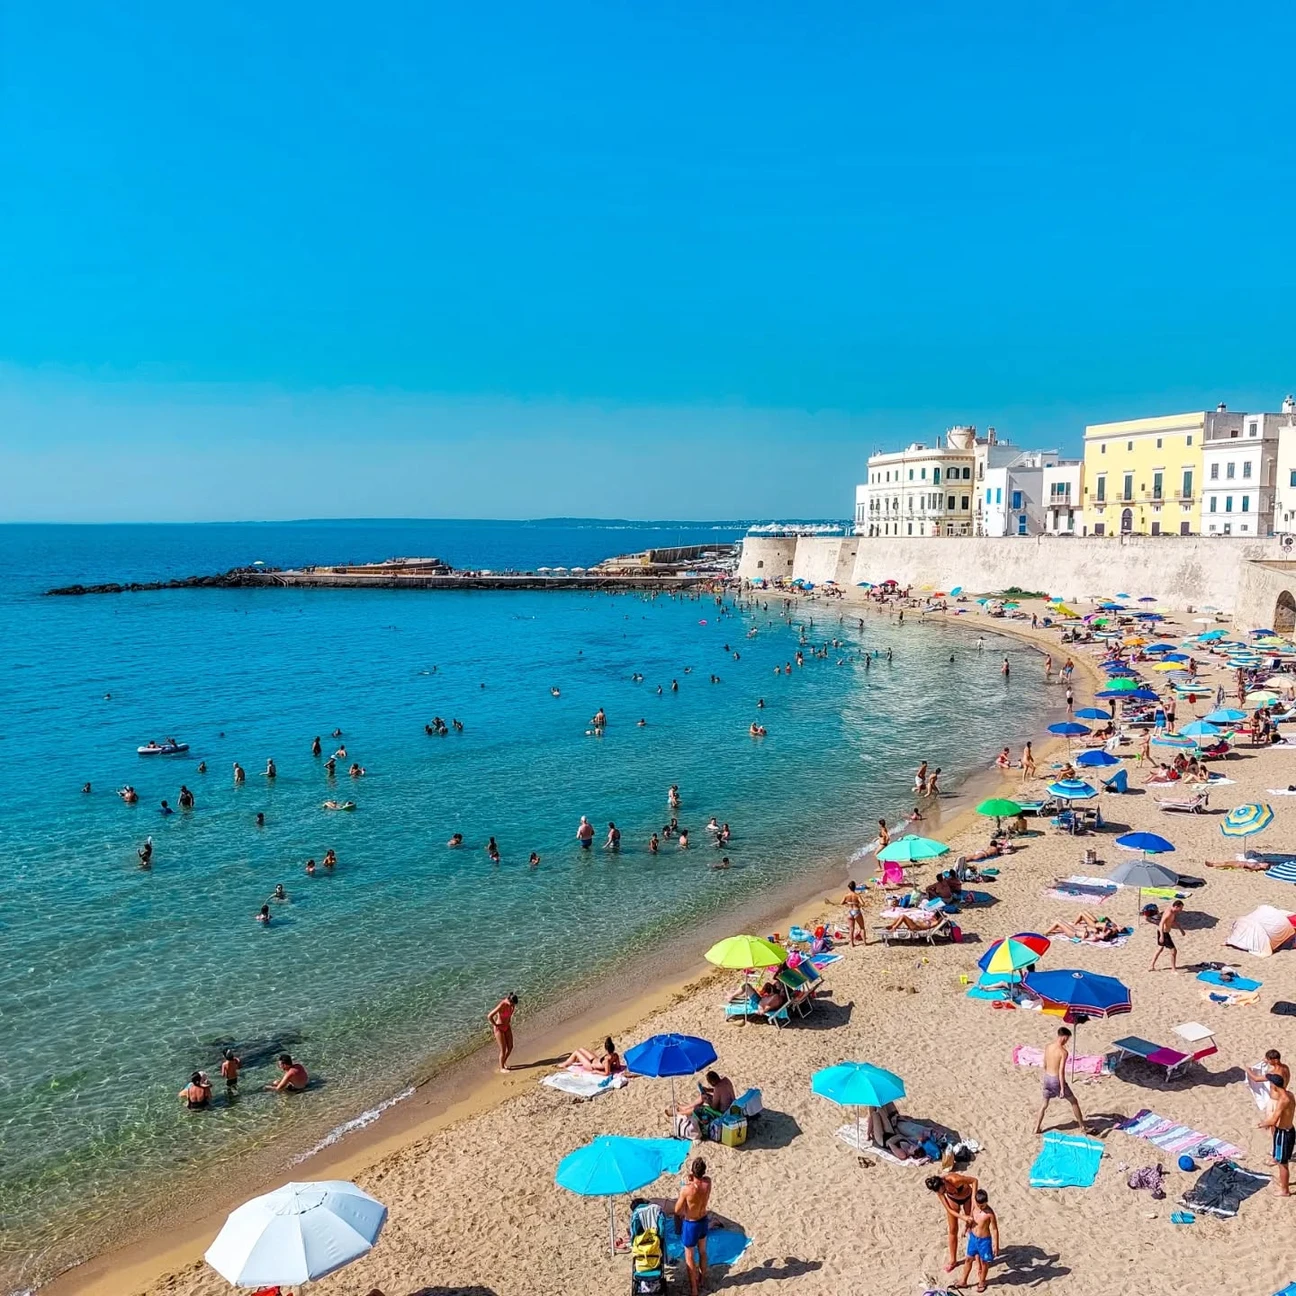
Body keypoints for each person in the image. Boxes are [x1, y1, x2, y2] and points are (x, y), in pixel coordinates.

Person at [1034, 1027, 1087, 1135]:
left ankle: (1036, 1127)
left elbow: (1045, 1064)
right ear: (1064, 1037)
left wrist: (1047, 1075)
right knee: (1074, 1101)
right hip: (1056, 1080)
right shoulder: (1063, 1052)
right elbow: (1061, 1071)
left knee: (1044, 1104)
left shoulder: (1048, 1047)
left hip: (1047, 1078)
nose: (1067, 1041)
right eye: (1067, 1039)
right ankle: (1082, 1126)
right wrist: (1062, 1088)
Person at [672, 1157, 712, 1296]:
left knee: (689, 1256)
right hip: (703, 1220)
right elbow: (702, 1180)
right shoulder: (708, 1182)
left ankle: (694, 1289)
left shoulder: (687, 1189)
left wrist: (689, 1182)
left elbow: (677, 1210)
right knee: (702, 1251)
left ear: (692, 1172)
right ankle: (702, 1279)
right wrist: (693, 1178)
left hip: (691, 1223)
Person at [926, 1171, 979, 1272]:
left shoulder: (955, 1179)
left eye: (945, 1189)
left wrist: (974, 1199)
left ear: (944, 1182)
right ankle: (953, 1260)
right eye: (943, 1192)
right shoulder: (939, 1190)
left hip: (968, 1196)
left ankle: (977, 1257)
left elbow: (974, 1180)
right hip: (953, 1200)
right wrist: (962, 1217)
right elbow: (949, 1209)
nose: (946, 1191)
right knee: (953, 1230)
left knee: (972, 1227)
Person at [955, 1189, 1000, 1293]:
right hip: (973, 1238)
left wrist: (996, 1245)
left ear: (987, 1202)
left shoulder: (990, 1214)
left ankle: (982, 1281)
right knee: (968, 1259)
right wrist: (965, 1228)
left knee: (984, 1263)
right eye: (979, 1205)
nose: (981, 1208)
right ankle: (963, 1281)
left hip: (984, 1241)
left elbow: (994, 1229)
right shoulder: (974, 1207)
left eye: (983, 1206)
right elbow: (970, 1219)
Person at [1260, 1073, 1296, 1196]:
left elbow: (1273, 1120)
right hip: (1289, 1129)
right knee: (1281, 1160)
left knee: (1282, 1163)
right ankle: (1284, 1184)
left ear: (1274, 1085)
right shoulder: (1290, 1095)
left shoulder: (1282, 1100)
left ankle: (1285, 1190)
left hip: (1283, 1133)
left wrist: (1262, 1124)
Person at [1150, 899, 1185, 972]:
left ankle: (1151, 965)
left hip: (1163, 932)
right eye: (1180, 908)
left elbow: (1172, 920)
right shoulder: (1169, 912)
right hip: (1164, 933)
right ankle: (1173, 969)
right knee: (1173, 951)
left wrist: (1180, 929)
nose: (1180, 910)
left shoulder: (1173, 911)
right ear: (1176, 906)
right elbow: (1161, 923)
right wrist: (1162, 936)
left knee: (1160, 949)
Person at [488, 993, 518, 1071]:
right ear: (509, 1000)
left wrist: (509, 1020)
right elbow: (489, 1016)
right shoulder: (502, 1005)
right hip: (499, 1029)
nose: (512, 1006)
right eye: (512, 1004)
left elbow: (510, 1014)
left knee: (510, 1047)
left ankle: (503, 1063)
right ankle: (501, 1068)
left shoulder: (512, 1005)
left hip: (507, 1027)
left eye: (513, 1005)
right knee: (503, 1050)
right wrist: (495, 1024)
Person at [842, 881, 866, 947]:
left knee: (851, 929)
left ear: (849, 888)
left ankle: (852, 944)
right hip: (856, 911)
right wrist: (857, 903)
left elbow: (841, 903)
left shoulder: (846, 895)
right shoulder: (857, 895)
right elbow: (863, 903)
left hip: (850, 912)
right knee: (862, 928)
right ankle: (864, 943)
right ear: (855, 887)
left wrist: (848, 903)